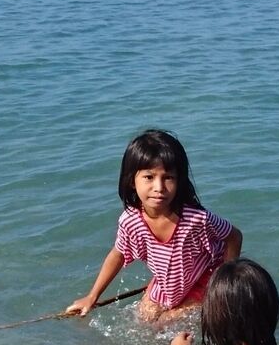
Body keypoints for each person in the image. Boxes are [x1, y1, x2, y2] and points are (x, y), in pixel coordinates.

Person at [68, 129, 242, 326]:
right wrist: (92, 297)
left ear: (180, 181)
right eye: (149, 177)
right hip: (169, 281)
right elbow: (118, 254)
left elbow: (233, 236)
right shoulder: (130, 221)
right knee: (143, 318)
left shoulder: (196, 219)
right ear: (132, 181)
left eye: (168, 177)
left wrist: (224, 284)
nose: (159, 187)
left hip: (206, 277)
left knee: (164, 323)